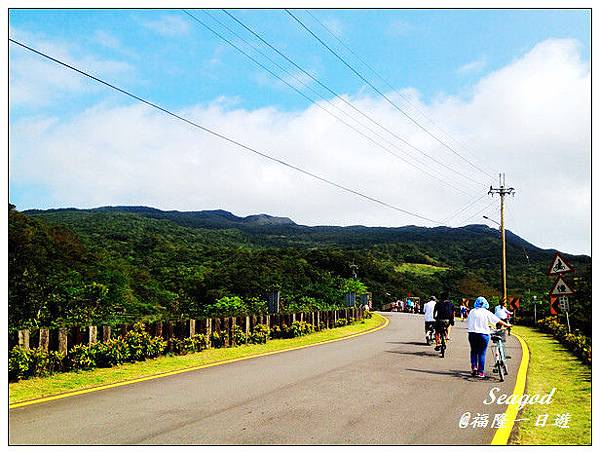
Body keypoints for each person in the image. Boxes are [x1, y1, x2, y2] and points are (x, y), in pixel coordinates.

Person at [467, 296, 511, 378]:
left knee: (474, 351)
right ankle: (481, 372)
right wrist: (507, 325)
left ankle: (474, 368)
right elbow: (497, 320)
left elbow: (469, 321)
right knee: (482, 353)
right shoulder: (486, 312)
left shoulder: (472, 311)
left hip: (472, 333)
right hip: (483, 334)